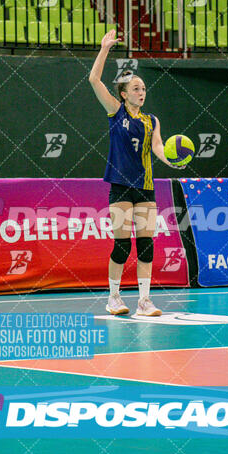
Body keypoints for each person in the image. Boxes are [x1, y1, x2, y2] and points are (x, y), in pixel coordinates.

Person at [89, 30, 181, 317]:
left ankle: (144, 301)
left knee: (145, 244)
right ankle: (114, 297)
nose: (141, 92)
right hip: (119, 186)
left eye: (143, 89)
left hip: (146, 187)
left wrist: (172, 160)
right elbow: (94, 80)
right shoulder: (115, 112)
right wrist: (104, 48)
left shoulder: (152, 120)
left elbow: (157, 148)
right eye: (136, 89)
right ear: (124, 93)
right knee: (121, 244)